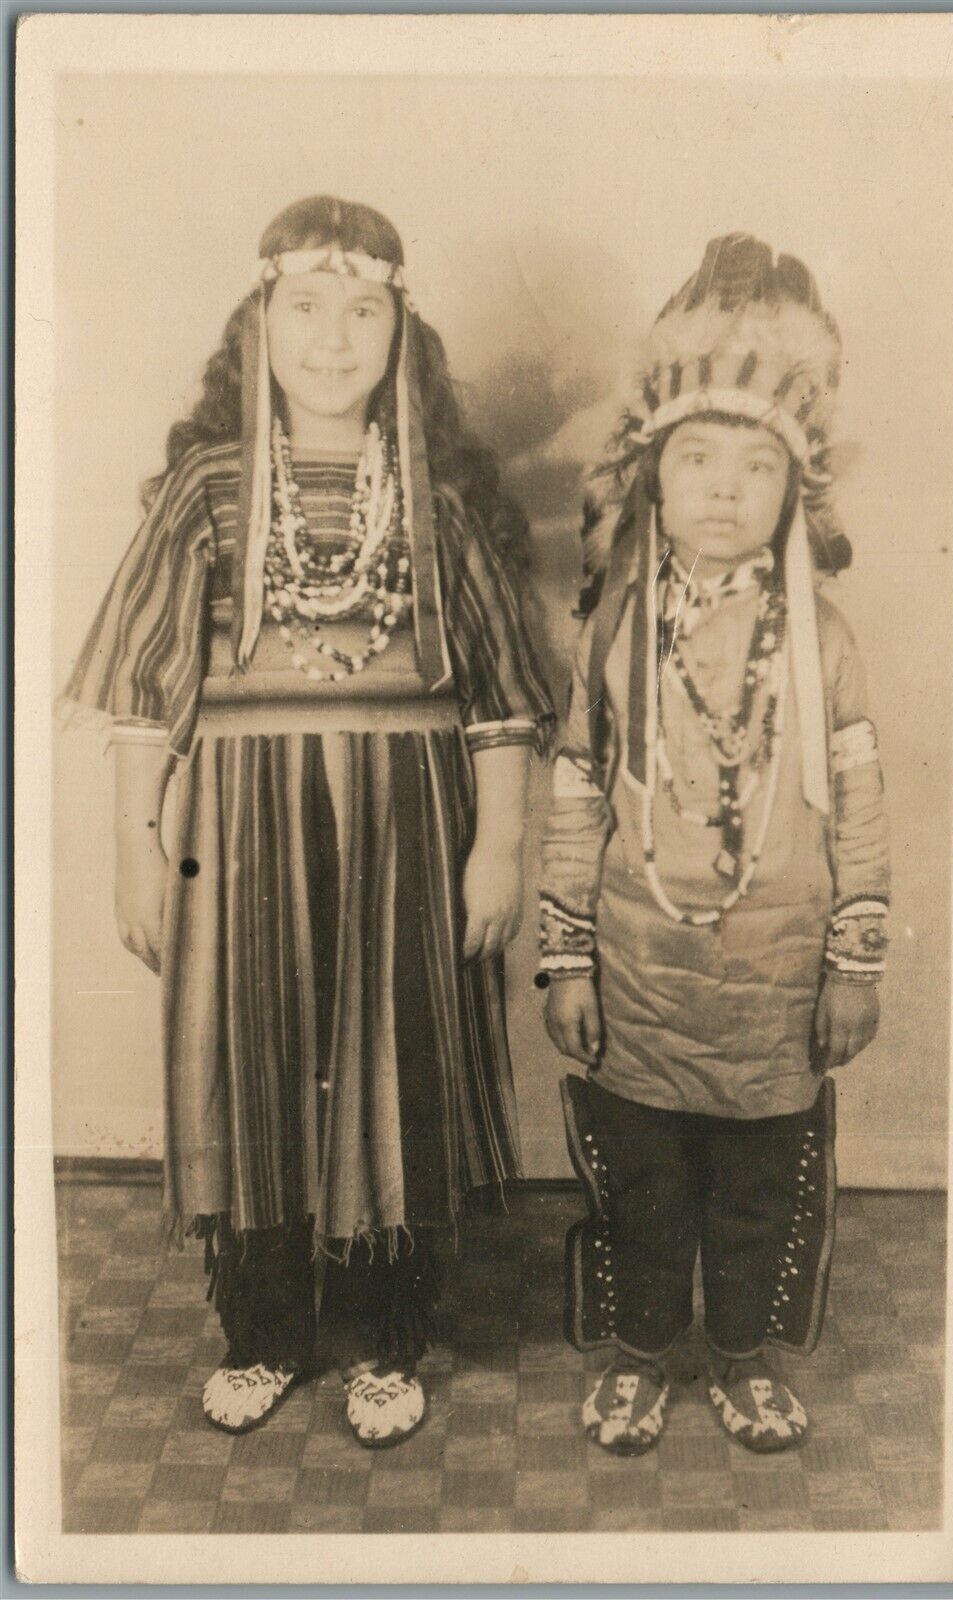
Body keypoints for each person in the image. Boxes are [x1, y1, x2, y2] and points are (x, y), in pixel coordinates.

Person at [61, 195, 555, 1444]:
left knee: (400, 1063)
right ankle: (268, 1324)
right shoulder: (210, 491)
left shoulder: (437, 503)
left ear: (402, 333)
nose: (334, 338)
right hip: (236, 844)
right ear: (258, 323)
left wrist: (496, 845)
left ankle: (391, 1329)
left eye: (364, 312)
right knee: (251, 1060)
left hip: (407, 836)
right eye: (306, 308)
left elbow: (500, 706)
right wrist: (138, 845)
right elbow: (142, 697)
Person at [538, 234, 890, 1457]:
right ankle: (639, 1355)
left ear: (799, 490)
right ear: (651, 476)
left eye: (756, 464)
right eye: (697, 457)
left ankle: (739, 1358)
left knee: (754, 1191)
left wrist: (854, 964)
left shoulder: (824, 641)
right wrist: (567, 958)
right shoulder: (618, 630)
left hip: (774, 986)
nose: (726, 488)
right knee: (642, 1182)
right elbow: (576, 793)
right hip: (639, 974)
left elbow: (861, 811)